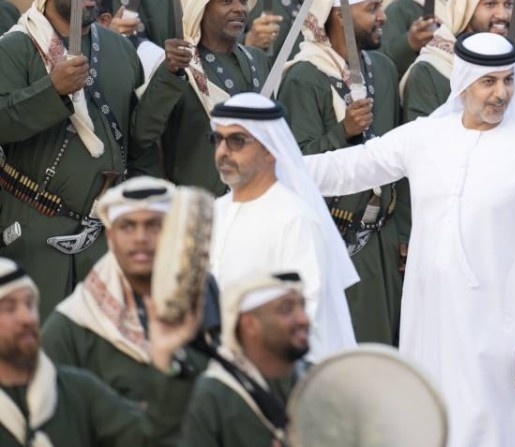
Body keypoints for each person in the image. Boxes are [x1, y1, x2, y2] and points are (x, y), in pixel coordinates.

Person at [301, 32, 515, 447]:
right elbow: (349, 168)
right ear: (463, 83)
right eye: (489, 82)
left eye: (509, 81)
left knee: (488, 432)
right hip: (428, 320)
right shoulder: (424, 137)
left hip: (498, 331)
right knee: (424, 424)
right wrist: (279, 162)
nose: (501, 94)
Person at [0, 0, 149, 316]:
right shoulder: (14, 49)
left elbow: (139, 136)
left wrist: (171, 80)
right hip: (33, 228)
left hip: (106, 233)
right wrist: (52, 91)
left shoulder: (120, 49)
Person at [277, 0, 407, 345]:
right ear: (340, 16)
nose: (383, 16)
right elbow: (293, 164)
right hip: (332, 233)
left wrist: (403, 232)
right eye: (373, 8)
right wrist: (343, 131)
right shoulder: (304, 76)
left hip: (382, 234)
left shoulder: (382, 69)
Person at [207, 93, 358, 360]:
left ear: (269, 149)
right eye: (218, 139)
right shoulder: (214, 212)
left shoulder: (295, 219)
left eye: (237, 141)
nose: (223, 151)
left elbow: (304, 312)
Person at [41, 178, 208, 415]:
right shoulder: (73, 323)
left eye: (154, 225)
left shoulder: (203, 299)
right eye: (127, 226)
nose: (140, 237)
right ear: (110, 236)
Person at [0, 257, 198, 446]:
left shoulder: (78, 391)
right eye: (9, 308)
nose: (26, 318)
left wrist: (167, 363)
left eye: (29, 304)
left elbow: (149, 439)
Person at [133, 0, 268, 196]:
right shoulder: (178, 63)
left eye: (243, 0)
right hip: (197, 207)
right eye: (227, 1)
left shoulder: (257, 59)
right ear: (201, 9)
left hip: (255, 201)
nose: (239, 9)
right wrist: (170, 73)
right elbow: (143, 133)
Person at [401, 0, 515, 138]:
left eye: (509, 4)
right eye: (490, 4)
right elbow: (420, 146)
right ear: (466, 9)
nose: (502, 14)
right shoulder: (431, 69)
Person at [180, 271, 312, 447]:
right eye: (287, 310)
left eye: (302, 307)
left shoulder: (315, 379)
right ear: (249, 323)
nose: (303, 319)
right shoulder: (214, 394)